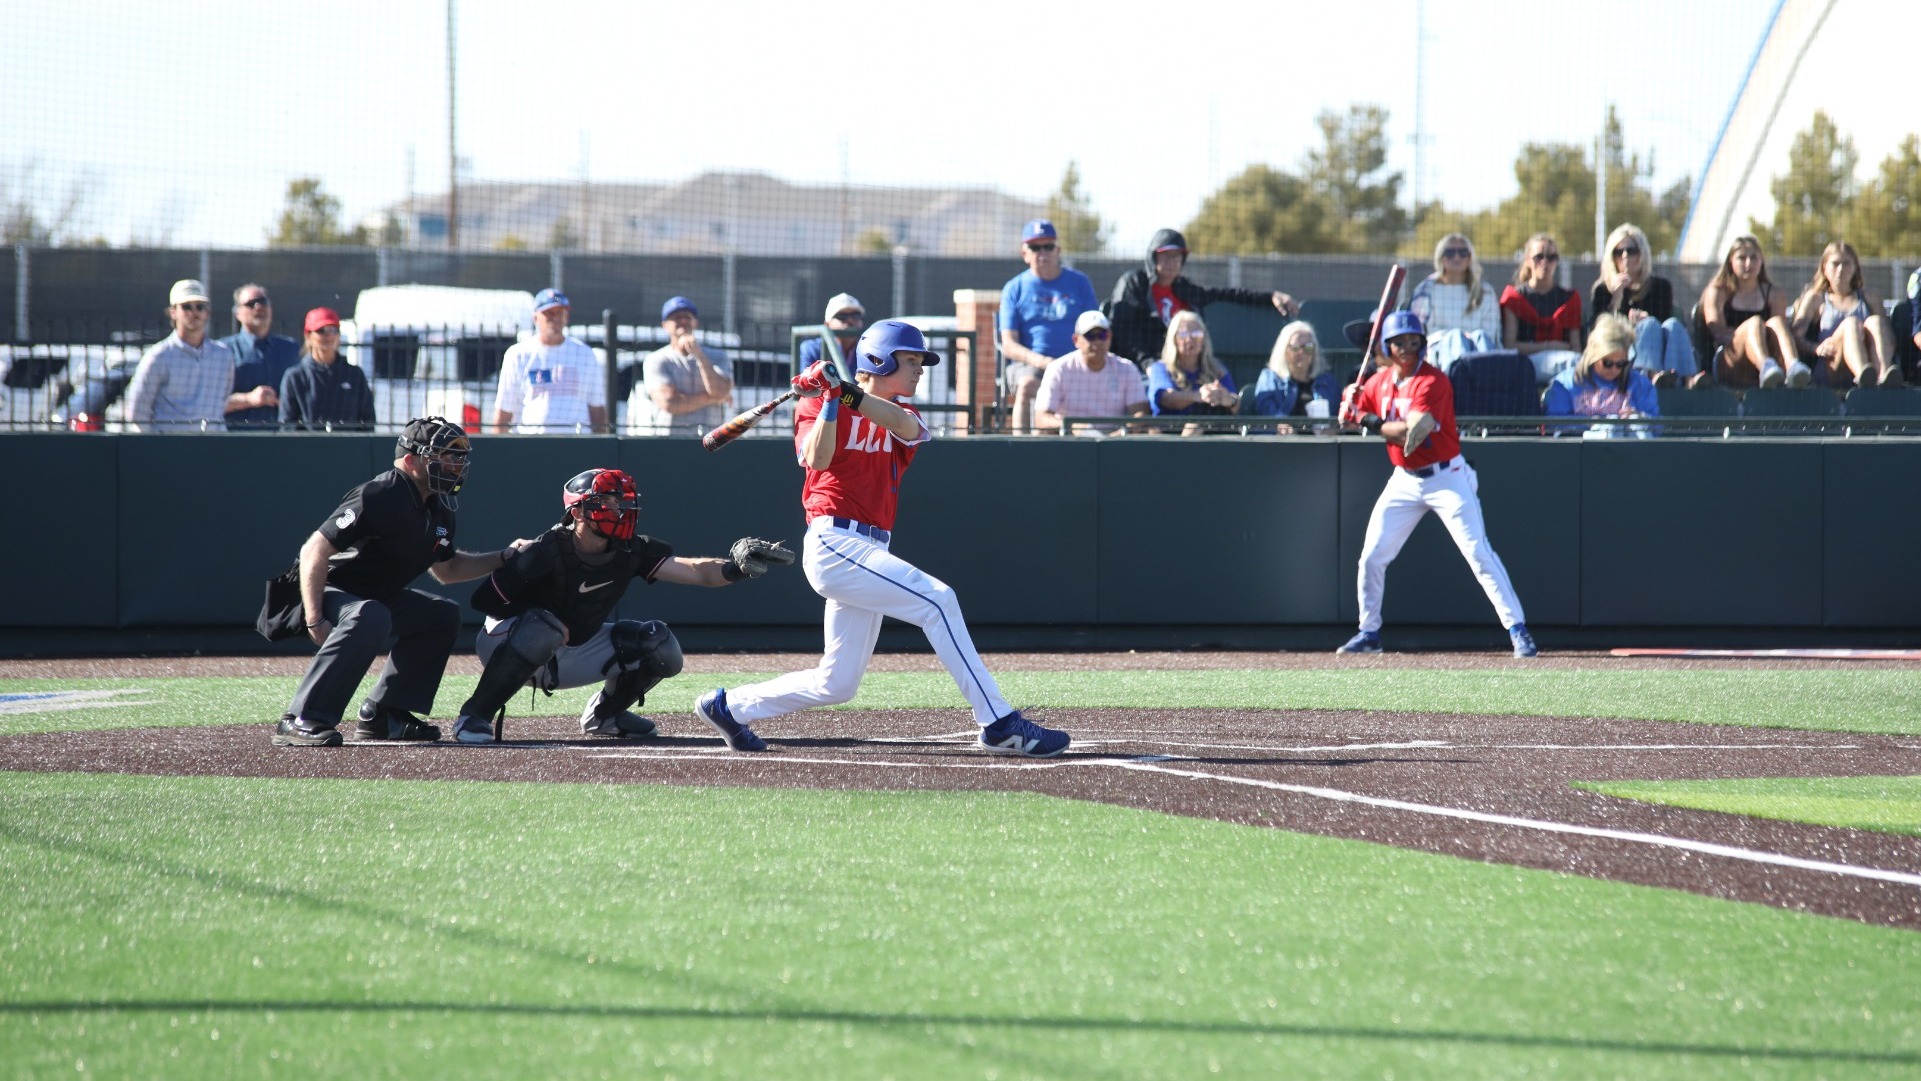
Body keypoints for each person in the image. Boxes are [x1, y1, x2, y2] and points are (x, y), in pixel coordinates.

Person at [691, 320, 1070, 758]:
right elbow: (817, 458)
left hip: (870, 548)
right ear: (878, 360)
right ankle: (999, 722)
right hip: (835, 542)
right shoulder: (815, 406)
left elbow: (902, 427)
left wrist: (846, 392)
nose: (919, 370)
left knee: (837, 683)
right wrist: (831, 400)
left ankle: (729, 706)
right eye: (910, 361)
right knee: (938, 601)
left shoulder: (903, 413)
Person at [452, 468, 794, 744]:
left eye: (623, 501)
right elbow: (484, 602)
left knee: (659, 645)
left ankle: (606, 716)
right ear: (579, 510)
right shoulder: (543, 552)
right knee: (545, 627)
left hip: (571, 647)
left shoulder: (632, 550)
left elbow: (695, 572)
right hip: (508, 643)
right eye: (608, 501)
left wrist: (736, 569)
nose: (620, 509)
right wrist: (536, 614)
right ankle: (474, 715)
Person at [274, 416, 531, 747]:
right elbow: (314, 551)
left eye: (458, 457)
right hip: (324, 591)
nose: (455, 465)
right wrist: (314, 618)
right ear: (411, 460)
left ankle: (385, 713)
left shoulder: (438, 509)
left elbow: (447, 569)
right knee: (370, 614)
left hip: (373, 599)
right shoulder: (378, 494)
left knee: (441, 615)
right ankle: (300, 718)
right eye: (446, 456)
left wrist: (505, 556)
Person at [1337, 311, 1536, 658]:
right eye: (1399, 342)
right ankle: (1369, 633)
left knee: (1478, 553)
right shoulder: (1378, 382)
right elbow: (1349, 416)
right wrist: (1349, 403)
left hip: (1446, 478)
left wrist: (1365, 418)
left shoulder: (1433, 381)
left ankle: (1518, 629)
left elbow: (1411, 433)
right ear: (1387, 345)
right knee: (1371, 557)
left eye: (1414, 342)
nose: (1407, 349)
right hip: (1404, 480)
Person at [1106, 227, 1299, 366]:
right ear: (1153, 258)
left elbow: (1226, 294)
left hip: (1185, 368)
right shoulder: (1135, 283)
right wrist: (1148, 364)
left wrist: (1270, 296)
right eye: (1165, 255)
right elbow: (1125, 332)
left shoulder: (1184, 289)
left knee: (1220, 381)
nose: (1171, 262)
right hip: (1142, 369)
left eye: (1176, 256)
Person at [998, 220, 1099, 433]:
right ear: (1025, 254)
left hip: (1076, 363)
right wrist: (1044, 362)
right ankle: (1022, 447)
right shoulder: (1013, 289)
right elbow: (1008, 345)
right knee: (1027, 385)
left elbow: (1093, 329)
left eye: (1048, 246)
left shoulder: (1080, 283)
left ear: (1058, 250)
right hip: (1031, 364)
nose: (1042, 252)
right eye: (1035, 247)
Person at [1588, 224, 1701, 389]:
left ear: (1642, 253)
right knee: (1649, 325)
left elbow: (1664, 325)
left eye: (1631, 250)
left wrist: (1646, 318)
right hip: (1621, 352)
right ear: (1611, 257)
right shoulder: (1602, 290)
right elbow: (1599, 331)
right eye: (1618, 252)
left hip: (1661, 352)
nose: (1625, 256)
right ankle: (1651, 376)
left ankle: (1688, 380)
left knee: (1673, 325)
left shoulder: (1660, 286)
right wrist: (1617, 297)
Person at [125, 279, 237, 432]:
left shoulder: (223, 355)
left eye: (200, 306)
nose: (194, 312)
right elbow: (136, 412)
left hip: (214, 447)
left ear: (207, 313)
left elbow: (223, 400)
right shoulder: (158, 356)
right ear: (173, 312)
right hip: (171, 447)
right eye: (186, 307)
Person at [491, 288, 608, 434]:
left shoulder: (584, 354)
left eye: (560, 312)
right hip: (531, 445)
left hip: (577, 445)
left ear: (567, 316)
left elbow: (597, 409)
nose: (555, 318)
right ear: (535, 317)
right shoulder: (518, 355)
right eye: (548, 313)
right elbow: (503, 412)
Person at [1789, 240, 1903, 388]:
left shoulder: (1870, 298)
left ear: (1855, 267)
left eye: (1847, 263)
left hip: (1871, 364)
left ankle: (1883, 377)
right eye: (1835, 264)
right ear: (1824, 267)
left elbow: (1889, 338)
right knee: (1851, 324)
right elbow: (1796, 337)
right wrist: (1816, 348)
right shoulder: (1815, 298)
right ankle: (1863, 376)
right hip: (1832, 365)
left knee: (1874, 322)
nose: (1841, 269)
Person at [1699, 234, 1807, 389]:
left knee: (1776, 322)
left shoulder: (1774, 294)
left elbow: (1778, 335)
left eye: (1754, 258)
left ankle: (1794, 368)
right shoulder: (1717, 291)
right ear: (1731, 261)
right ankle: (1765, 366)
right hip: (1730, 361)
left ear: (1761, 261)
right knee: (1755, 323)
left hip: (1773, 360)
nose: (1748, 263)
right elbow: (1719, 333)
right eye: (1742, 258)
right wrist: (1752, 333)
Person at [627, 295, 735, 435]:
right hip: (671, 441)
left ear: (695, 322)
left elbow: (720, 391)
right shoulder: (656, 359)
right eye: (676, 317)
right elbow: (670, 403)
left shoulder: (718, 356)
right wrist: (712, 399)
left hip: (711, 439)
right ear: (665, 325)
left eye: (687, 316)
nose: (683, 320)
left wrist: (700, 356)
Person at [1033, 309, 1148, 435]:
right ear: (1076, 340)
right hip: (1069, 444)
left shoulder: (1127, 369)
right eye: (1090, 336)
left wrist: (1118, 434)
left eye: (1103, 335)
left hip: (1115, 446)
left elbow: (1141, 413)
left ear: (1110, 337)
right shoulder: (1058, 368)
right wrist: (1073, 427)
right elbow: (1041, 418)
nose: (1098, 341)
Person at [1544, 313, 1659, 437]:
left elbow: (1658, 427)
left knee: (1638, 425)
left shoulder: (1639, 384)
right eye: (1607, 363)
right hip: (1585, 449)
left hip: (1631, 448)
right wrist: (1593, 424)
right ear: (1594, 356)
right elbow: (1555, 427)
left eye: (1620, 364)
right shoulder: (1566, 383)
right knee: (1611, 427)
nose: (1614, 369)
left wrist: (1639, 417)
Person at [1407, 233, 1503, 371]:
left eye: (1463, 253)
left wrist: (1469, 340)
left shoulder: (1485, 291)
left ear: (1470, 257)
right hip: (1439, 353)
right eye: (1450, 253)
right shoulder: (1426, 289)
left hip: (1478, 351)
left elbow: (1492, 335)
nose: (1457, 257)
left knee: (1480, 337)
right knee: (1456, 337)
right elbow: (1417, 331)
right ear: (1441, 257)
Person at [1499, 233, 1583, 385]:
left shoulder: (1570, 298)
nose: (1545, 262)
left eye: (1551, 257)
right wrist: (1548, 346)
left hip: (1566, 363)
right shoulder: (1514, 297)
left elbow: (1575, 346)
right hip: (1525, 365)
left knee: (1579, 363)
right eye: (1539, 257)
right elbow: (1509, 345)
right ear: (1527, 260)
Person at [278, 307, 376, 431]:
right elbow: (287, 425)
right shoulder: (295, 377)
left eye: (333, 330)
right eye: (321, 330)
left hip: (348, 448)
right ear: (308, 336)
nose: (328, 335)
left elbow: (367, 420)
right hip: (308, 448)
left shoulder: (354, 375)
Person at [219, 283, 301, 429]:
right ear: (238, 313)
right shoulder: (223, 350)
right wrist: (249, 399)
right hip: (236, 441)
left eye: (263, 302)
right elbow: (209, 403)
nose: (258, 307)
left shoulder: (291, 349)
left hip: (283, 441)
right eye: (251, 304)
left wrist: (287, 401)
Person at [1144, 309, 1238, 436]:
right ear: (1174, 340)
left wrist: (1227, 399)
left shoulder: (1217, 369)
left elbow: (1236, 404)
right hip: (1170, 437)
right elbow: (1166, 398)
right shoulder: (1160, 368)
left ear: (1204, 338)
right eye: (1183, 334)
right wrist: (1198, 396)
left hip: (1213, 436)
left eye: (1196, 333)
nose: (1189, 339)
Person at [1250, 320, 1340, 431]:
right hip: (1282, 444)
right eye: (1296, 347)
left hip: (1320, 444)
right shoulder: (1270, 378)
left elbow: (1337, 418)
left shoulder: (1328, 382)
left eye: (1308, 347)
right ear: (1284, 351)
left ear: (1314, 351)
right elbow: (1265, 410)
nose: (1301, 352)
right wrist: (1279, 425)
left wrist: (1333, 429)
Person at [798, 292, 866, 374]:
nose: (850, 320)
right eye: (842, 316)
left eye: (856, 316)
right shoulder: (812, 349)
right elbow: (807, 384)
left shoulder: (870, 351)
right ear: (827, 324)